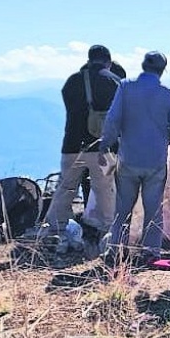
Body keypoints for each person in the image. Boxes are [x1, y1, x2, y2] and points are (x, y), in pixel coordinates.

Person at [98, 51, 170, 264]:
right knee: (153, 210)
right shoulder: (168, 94)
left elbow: (112, 120)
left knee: (122, 208)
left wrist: (105, 145)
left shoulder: (126, 87)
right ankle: (150, 252)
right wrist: (163, 141)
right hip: (155, 160)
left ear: (143, 65)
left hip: (128, 158)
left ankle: (116, 249)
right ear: (162, 70)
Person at [42, 44, 122, 245]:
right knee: (106, 190)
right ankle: (108, 233)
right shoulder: (114, 81)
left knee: (66, 188)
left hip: (71, 145)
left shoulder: (72, 82)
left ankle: (55, 228)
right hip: (103, 148)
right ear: (108, 62)